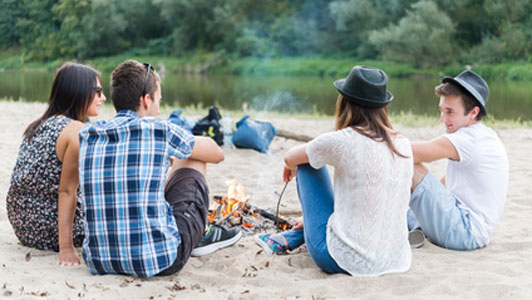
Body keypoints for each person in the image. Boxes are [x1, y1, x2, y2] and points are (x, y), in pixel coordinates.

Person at [78, 60, 241, 278]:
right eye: (158, 100)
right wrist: (177, 152)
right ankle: (202, 233)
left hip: (100, 261)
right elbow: (216, 153)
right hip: (160, 261)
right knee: (194, 160)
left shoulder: (89, 134)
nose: (159, 108)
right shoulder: (159, 130)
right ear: (146, 100)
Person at [255, 66, 414, 276]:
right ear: (383, 107)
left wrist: (290, 166)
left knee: (307, 163)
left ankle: (298, 235)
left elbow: (290, 156)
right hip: (394, 259)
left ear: (345, 103)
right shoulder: (403, 144)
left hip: (339, 260)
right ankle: (296, 236)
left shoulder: (343, 140)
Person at [6, 62, 106, 266]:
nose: (103, 98)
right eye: (97, 92)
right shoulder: (76, 131)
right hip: (48, 228)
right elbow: (66, 191)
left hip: (23, 225)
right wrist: (66, 247)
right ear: (79, 92)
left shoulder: (38, 124)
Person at [408, 69, 509, 250]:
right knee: (405, 209)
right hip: (466, 227)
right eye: (442, 110)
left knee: (411, 167)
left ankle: (411, 228)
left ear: (473, 112)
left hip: (465, 231)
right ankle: (413, 227)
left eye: (450, 112)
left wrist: (378, 138)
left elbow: (411, 152)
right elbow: (446, 184)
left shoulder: (468, 139)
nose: (442, 119)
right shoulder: (483, 135)